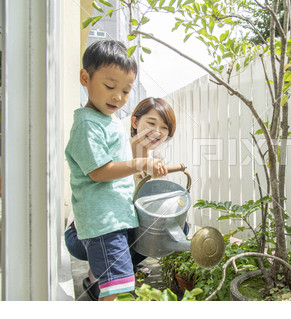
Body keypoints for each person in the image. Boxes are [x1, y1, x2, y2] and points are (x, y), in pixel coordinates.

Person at [65, 40, 168, 301]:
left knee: (118, 287)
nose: (118, 97)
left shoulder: (107, 122)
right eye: (110, 86)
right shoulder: (88, 125)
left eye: (125, 90)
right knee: (118, 292)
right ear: (85, 78)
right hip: (103, 225)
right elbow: (99, 172)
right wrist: (141, 163)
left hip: (113, 221)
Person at [65, 96, 187, 300]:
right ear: (134, 122)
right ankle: (99, 273)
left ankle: (122, 267)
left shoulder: (156, 162)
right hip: (86, 235)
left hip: (121, 230)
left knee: (172, 228)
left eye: (164, 127)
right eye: (151, 123)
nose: (157, 132)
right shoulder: (116, 150)